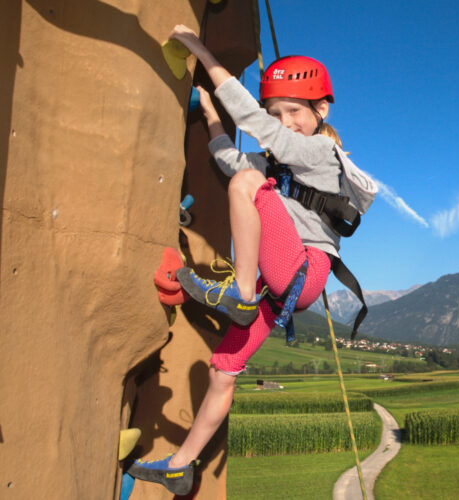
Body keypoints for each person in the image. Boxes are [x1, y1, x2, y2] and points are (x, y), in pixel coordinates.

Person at [127, 24, 376, 495]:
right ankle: (180, 465)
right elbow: (229, 160)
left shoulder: (321, 152)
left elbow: (254, 132)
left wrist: (199, 49)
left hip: (301, 270)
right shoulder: (278, 164)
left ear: (320, 111)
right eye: (276, 112)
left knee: (247, 185)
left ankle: (239, 294)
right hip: (281, 287)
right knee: (222, 370)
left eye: (295, 111)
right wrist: (211, 116)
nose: (285, 122)